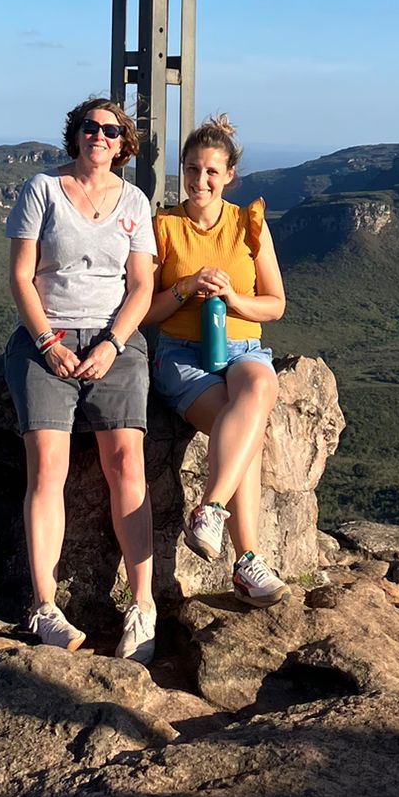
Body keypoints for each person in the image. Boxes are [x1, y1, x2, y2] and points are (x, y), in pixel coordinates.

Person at [5, 97, 159, 660]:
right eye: (90, 127)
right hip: (47, 339)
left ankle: (143, 607)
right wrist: (47, 343)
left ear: (123, 144)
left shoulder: (135, 202)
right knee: (48, 466)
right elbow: (22, 276)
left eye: (110, 130)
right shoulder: (41, 190)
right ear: (76, 136)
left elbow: (141, 285)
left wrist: (113, 343)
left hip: (114, 340)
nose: (99, 136)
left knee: (127, 464)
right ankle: (45, 607)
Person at [146, 112, 289, 605]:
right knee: (248, 426)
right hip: (182, 353)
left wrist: (233, 300)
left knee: (258, 390)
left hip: (243, 345)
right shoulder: (163, 226)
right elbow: (144, 309)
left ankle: (209, 510)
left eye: (211, 171)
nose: (200, 180)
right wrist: (185, 287)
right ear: (181, 170)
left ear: (229, 175)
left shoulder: (249, 225)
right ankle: (248, 563)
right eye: (191, 169)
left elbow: (275, 304)